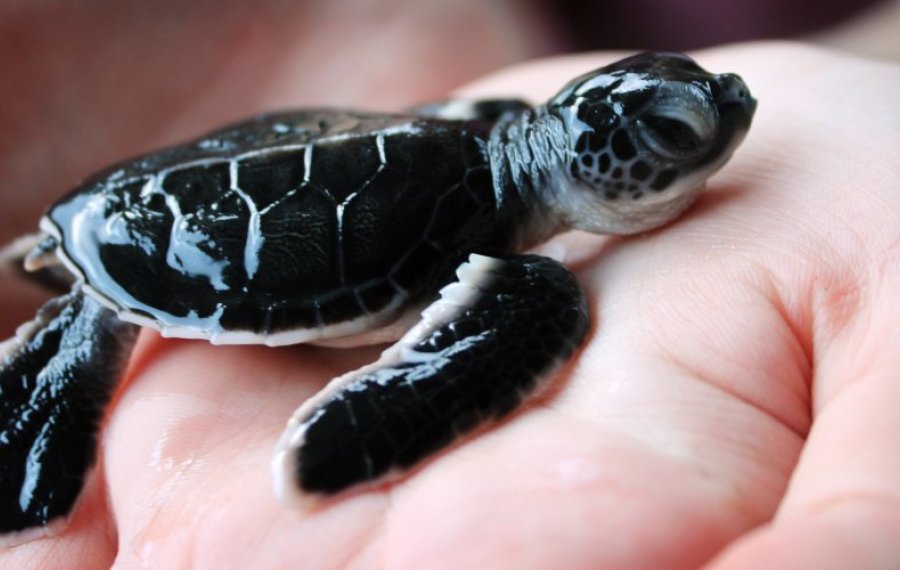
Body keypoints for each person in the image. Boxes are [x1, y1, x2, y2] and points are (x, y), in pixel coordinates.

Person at [1, 4, 899, 569]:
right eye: (677, 129)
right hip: (157, 232)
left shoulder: (495, 129)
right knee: (544, 309)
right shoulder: (526, 277)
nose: (734, 111)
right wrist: (365, 433)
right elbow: (463, 346)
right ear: (602, 174)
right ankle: (87, 312)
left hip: (142, 194)